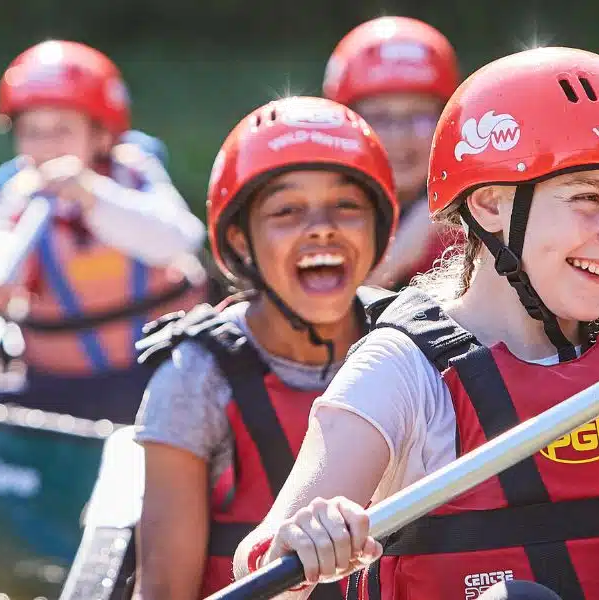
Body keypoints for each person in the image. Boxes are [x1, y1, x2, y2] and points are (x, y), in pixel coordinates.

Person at [231, 48, 599, 599]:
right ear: (489, 206)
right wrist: (302, 543)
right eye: (587, 197)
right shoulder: (401, 371)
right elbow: (263, 568)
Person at [130, 96, 400, 600]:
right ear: (240, 239)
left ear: (378, 228)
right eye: (287, 210)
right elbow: (163, 592)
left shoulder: (416, 343)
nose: (321, 227)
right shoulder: (194, 377)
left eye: (347, 206)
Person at [0, 40, 209, 424]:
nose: (45, 147)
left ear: (101, 135)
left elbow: (181, 239)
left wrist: (92, 195)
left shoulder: (135, 174)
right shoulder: (18, 191)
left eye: (61, 130)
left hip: (161, 374)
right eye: (31, 132)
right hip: (57, 388)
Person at [322, 16, 465, 290]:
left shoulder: (477, 222)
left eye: (420, 116)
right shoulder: (314, 214)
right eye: (380, 118)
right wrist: (403, 251)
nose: (400, 137)